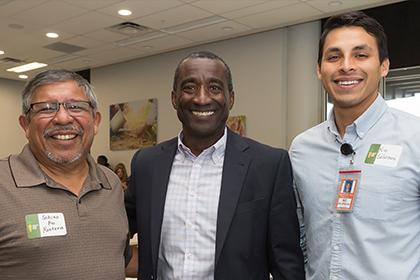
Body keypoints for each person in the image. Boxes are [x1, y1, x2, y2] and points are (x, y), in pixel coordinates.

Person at [125, 51, 305, 280]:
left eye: (214, 88)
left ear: (230, 97)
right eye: (189, 88)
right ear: (174, 98)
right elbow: (115, 234)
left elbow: (286, 263)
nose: (202, 98)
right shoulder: (147, 164)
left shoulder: (268, 165)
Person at [290, 11, 420, 280]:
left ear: (384, 66)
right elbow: (299, 237)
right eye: (334, 56)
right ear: (319, 69)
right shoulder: (302, 149)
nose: (346, 66)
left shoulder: (415, 139)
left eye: (361, 55)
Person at [0, 69, 129, 279]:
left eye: (75, 106)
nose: (62, 118)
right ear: (25, 124)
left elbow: (114, 257)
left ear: (95, 121)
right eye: (46, 108)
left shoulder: (110, 183)